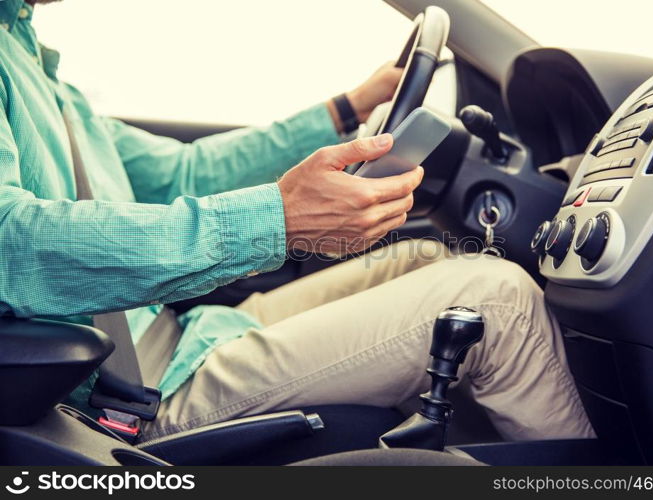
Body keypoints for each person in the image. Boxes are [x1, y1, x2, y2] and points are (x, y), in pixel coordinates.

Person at [0, 0, 594, 443]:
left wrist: (349, 109)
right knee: (499, 301)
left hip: (174, 335)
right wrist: (276, 221)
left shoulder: (27, 54)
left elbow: (181, 172)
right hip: (123, 389)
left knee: (425, 256)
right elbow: (12, 244)